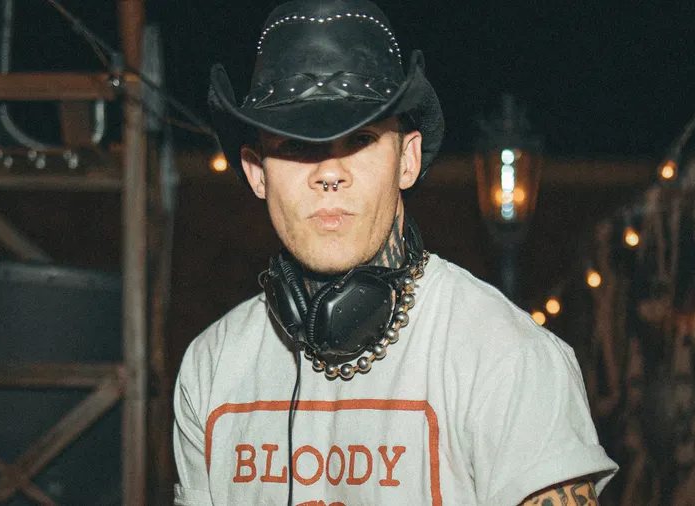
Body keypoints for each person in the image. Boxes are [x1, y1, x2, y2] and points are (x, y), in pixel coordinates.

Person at [173, 1, 617, 504]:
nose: (329, 173)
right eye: (296, 145)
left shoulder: (508, 359)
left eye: (360, 139)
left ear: (407, 160)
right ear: (257, 173)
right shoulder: (211, 368)